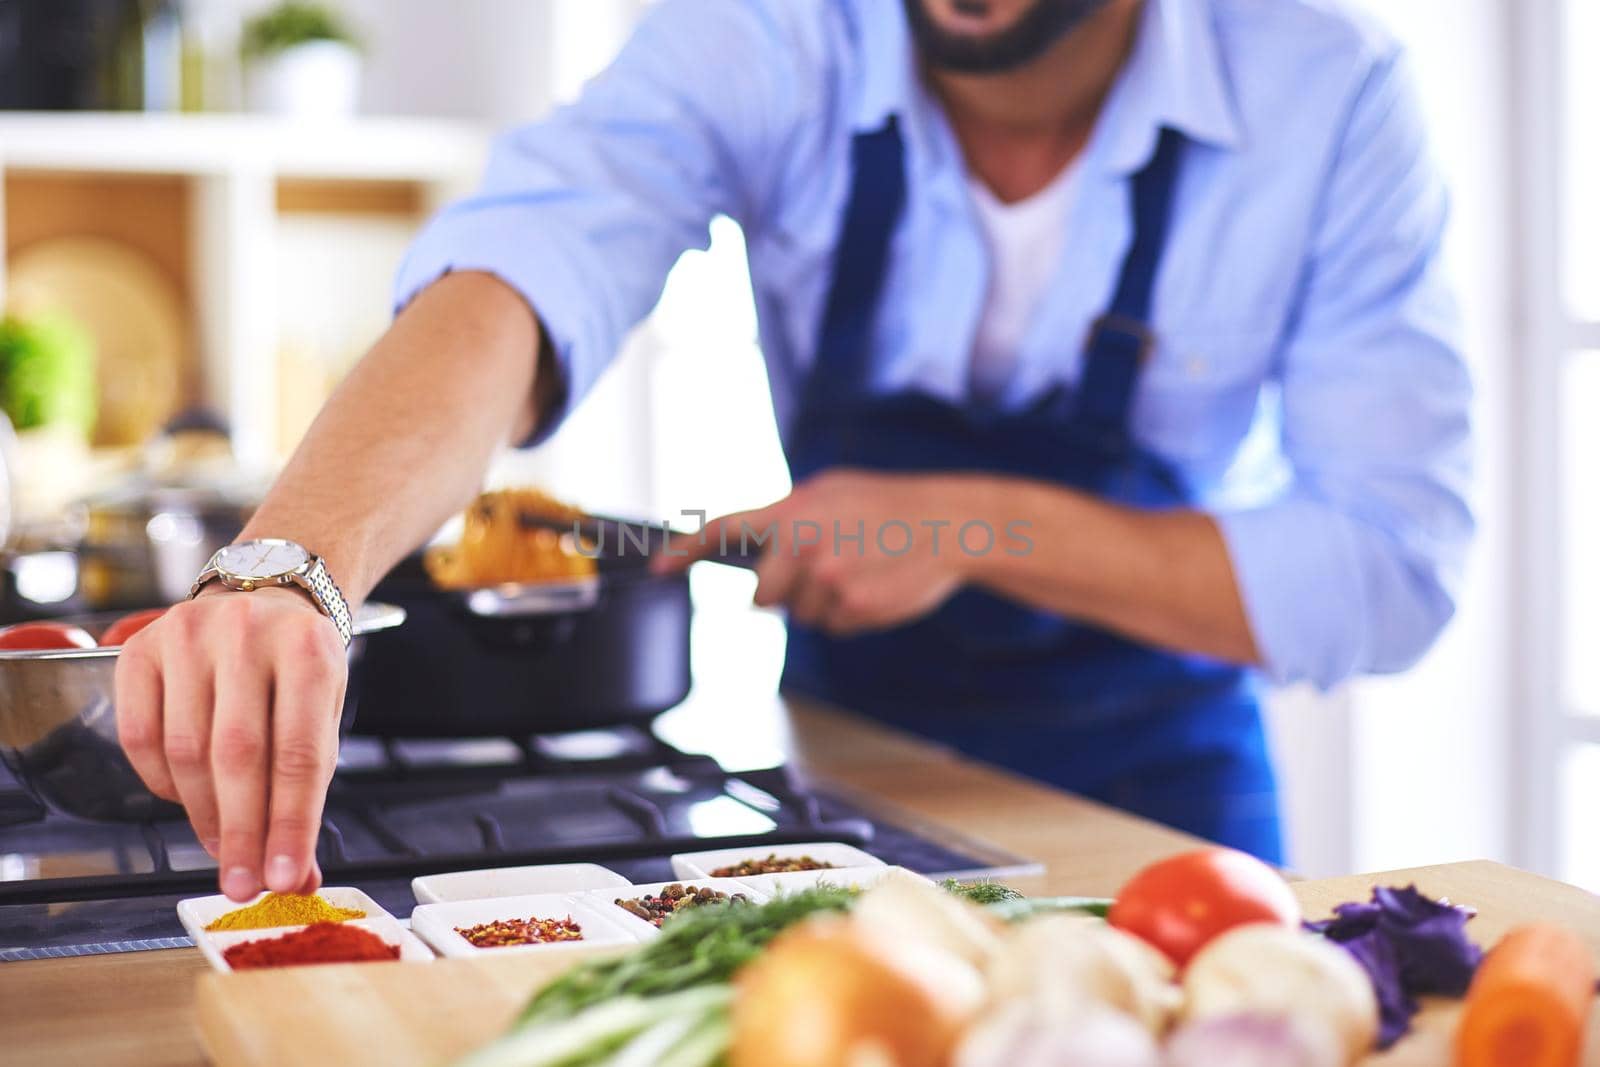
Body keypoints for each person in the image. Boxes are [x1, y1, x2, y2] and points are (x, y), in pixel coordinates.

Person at [114, 0, 1473, 901]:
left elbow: (1389, 570)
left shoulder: (1330, 94)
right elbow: (523, 272)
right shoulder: (770, 31)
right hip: (855, 772)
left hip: (1169, 804)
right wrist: (291, 568)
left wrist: (967, 526)